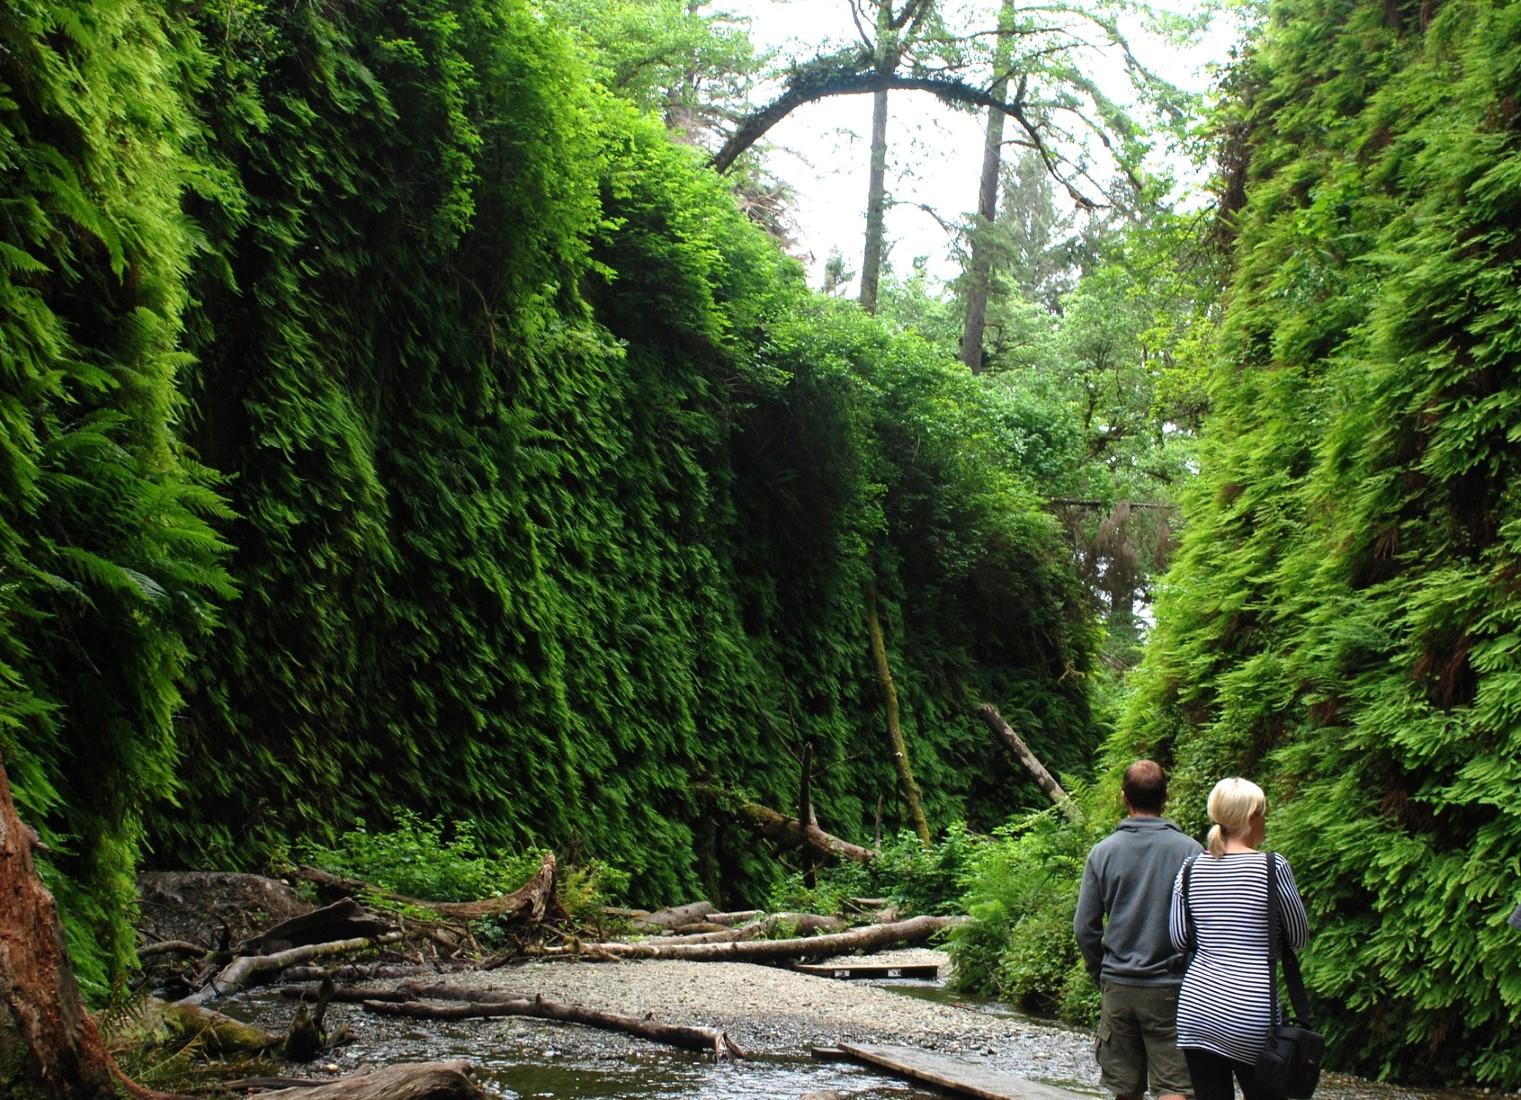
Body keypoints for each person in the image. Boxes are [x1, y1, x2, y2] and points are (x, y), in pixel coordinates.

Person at [1169, 777, 1309, 1100]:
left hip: (1197, 1009)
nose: (1265, 820)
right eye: (1263, 813)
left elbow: (1178, 939)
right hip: (1250, 1014)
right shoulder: (1272, 867)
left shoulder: (1190, 868)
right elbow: (1299, 937)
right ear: (1250, 819)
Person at [1076, 760, 1203, 1100]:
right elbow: (1204, 924)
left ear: (1123, 797)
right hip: (1172, 988)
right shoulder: (1191, 852)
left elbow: (1084, 928)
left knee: (1124, 1087)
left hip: (1118, 983)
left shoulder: (1102, 852)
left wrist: (1100, 972)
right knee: (1175, 1085)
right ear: (1167, 797)